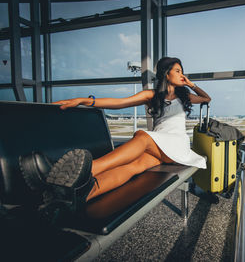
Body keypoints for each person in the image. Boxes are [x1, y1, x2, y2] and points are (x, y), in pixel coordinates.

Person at [21, 57, 210, 213]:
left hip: (175, 145)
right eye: (177, 70)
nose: (181, 74)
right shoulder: (152, 95)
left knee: (143, 137)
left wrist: (191, 84)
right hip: (160, 147)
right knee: (132, 167)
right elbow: (119, 102)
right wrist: (84, 100)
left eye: (181, 71)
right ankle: (79, 196)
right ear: (166, 73)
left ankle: (76, 173)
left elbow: (206, 98)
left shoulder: (185, 96)